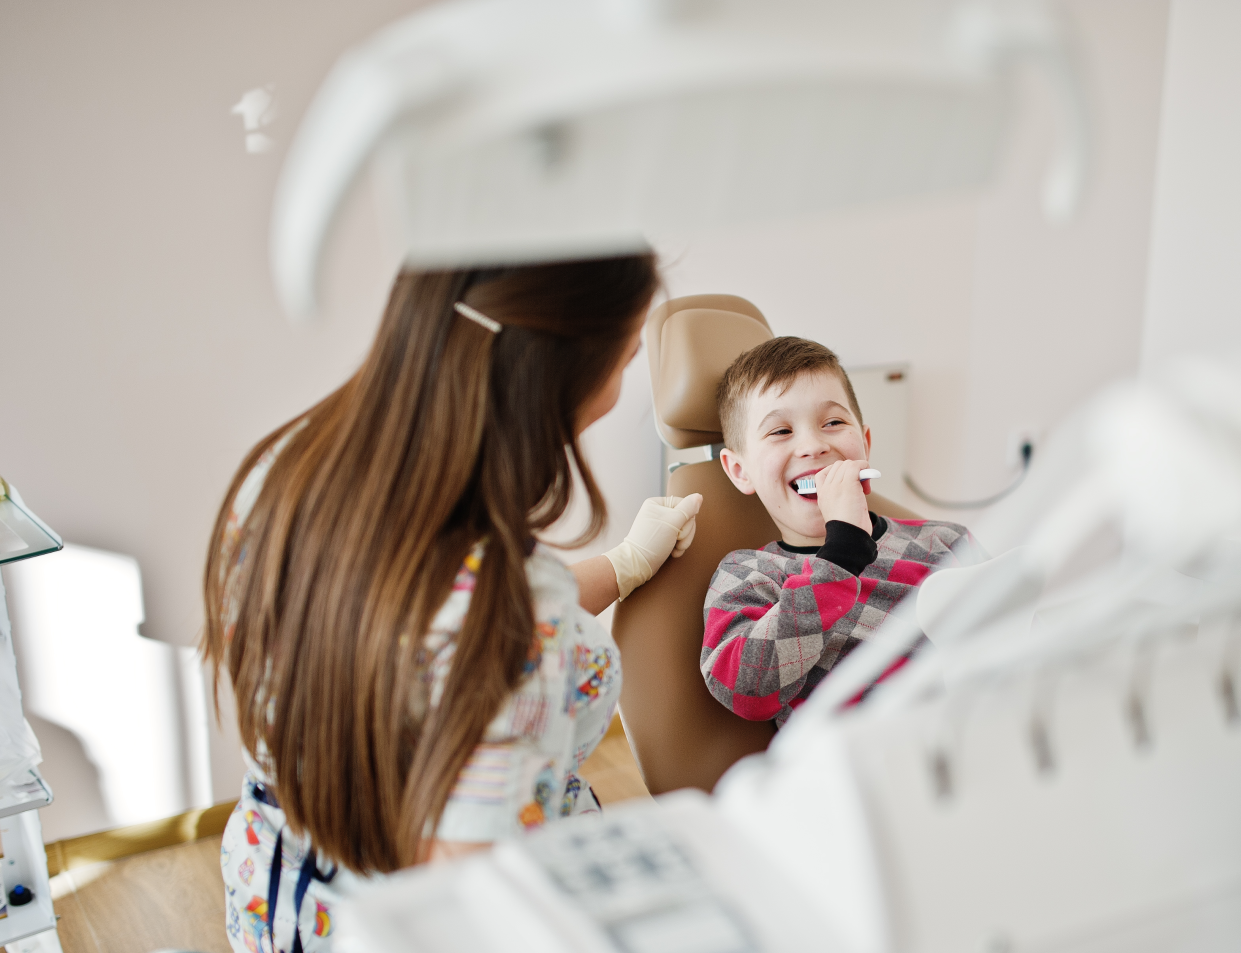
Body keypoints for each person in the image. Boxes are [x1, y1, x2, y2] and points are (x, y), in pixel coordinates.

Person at [201, 256, 703, 953]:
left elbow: (426, 634)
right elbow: (466, 901)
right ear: (552, 374)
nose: (623, 387)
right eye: (623, 359)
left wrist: (622, 566)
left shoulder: (284, 474)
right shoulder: (517, 608)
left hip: (280, 889)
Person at [700, 336, 983, 726]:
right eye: (781, 431)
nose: (813, 446)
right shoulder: (751, 573)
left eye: (833, 423)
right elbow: (743, 689)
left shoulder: (945, 541)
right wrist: (841, 556)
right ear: (739, 470)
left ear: (863, 444)